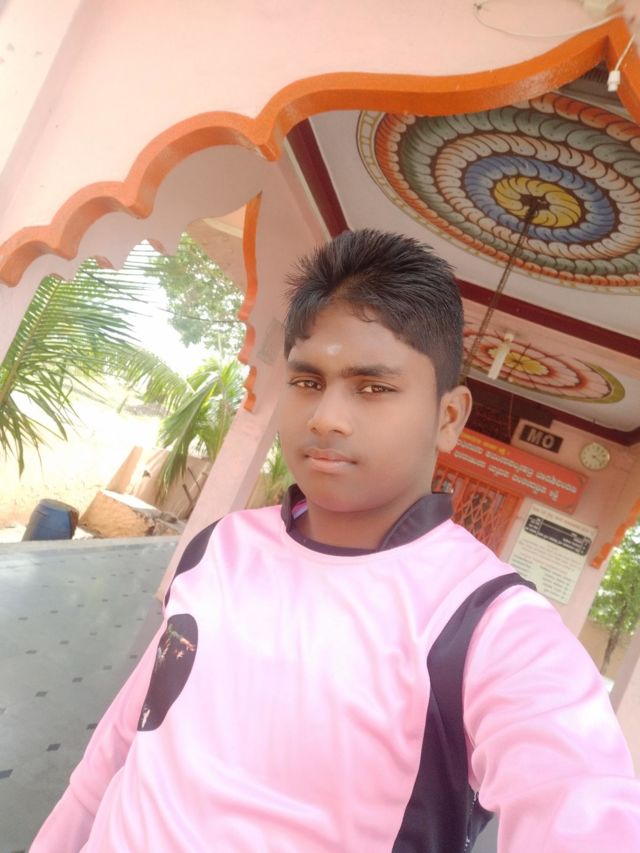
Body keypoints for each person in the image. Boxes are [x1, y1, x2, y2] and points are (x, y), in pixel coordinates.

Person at [33, 230, 640, 851]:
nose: (325, 417)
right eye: (308, 381)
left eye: (373, 387)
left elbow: (583, 804)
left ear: (449, 417)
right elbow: (125, 738)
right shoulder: (221, 547)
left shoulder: (486, 624)